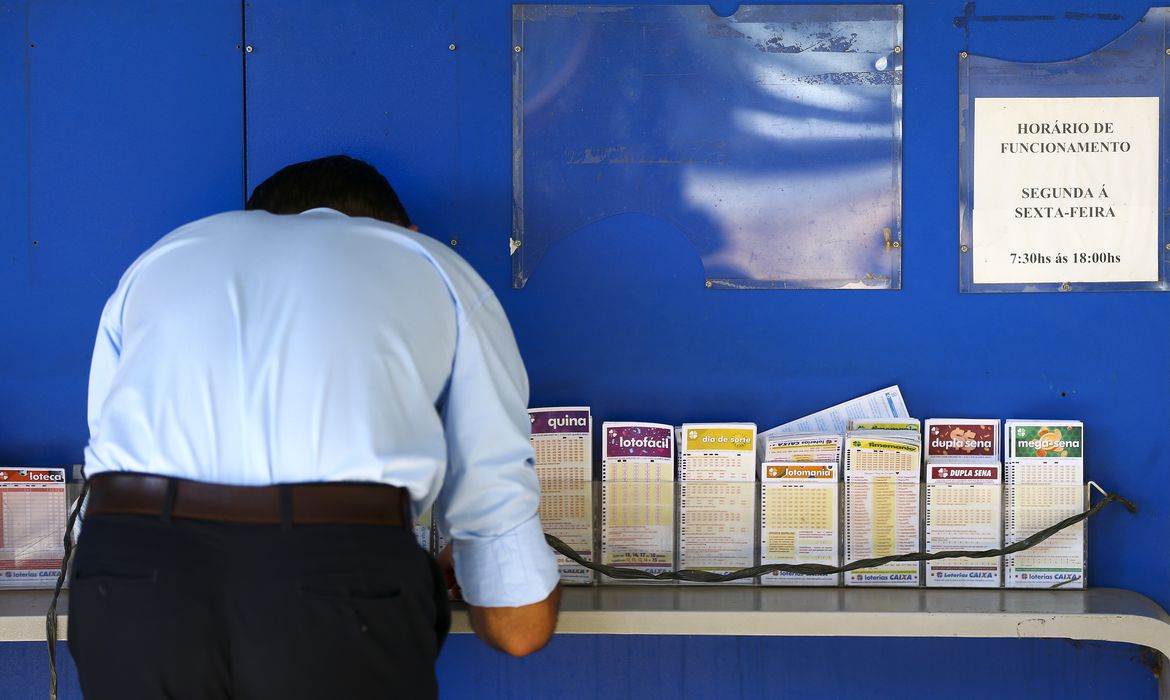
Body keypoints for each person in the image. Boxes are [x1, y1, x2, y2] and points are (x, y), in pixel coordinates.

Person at [68, 155, 561, 699]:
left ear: (253, 225)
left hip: (128, 581)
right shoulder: (429, 263)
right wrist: (471, 570)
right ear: (404, 233)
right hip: (335, 586)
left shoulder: (163, 260)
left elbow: (106, 465)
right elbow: (518, 625)